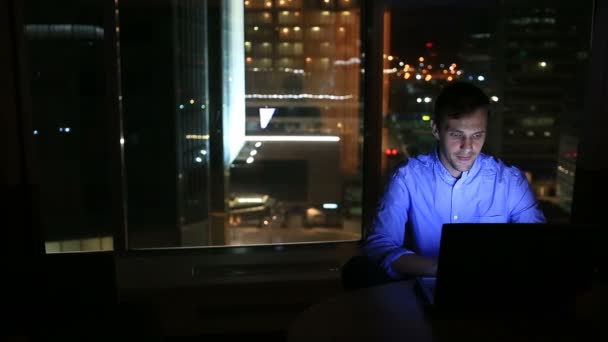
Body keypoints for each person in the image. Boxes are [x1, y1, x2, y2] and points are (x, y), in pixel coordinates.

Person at [349, 81, 545, 286]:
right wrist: (442, 269)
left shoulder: (511, 182)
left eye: (477, 135)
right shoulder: (408, 178)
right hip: (430, 286)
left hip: (494, 290)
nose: (467, 147)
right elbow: (380, 245)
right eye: (456, 135)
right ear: (436, 129)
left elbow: (537, 246)